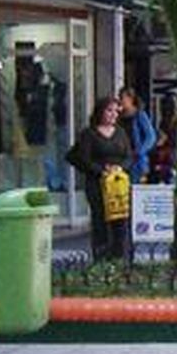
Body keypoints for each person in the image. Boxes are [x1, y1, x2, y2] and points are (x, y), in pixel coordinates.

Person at [66, 96, 133, 260]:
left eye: (116, 111)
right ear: (100, 112)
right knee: (101, 221)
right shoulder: (89, 134)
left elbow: (129, 156)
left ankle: (121, 258)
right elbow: (81, 158)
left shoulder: (121, 132)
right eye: (109, 111)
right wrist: (100, 170)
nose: (113, 115)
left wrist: (121, 167)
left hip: (118, 185)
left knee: (121, 221)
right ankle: (102, 259)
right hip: (98, 184)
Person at [117, 87, 156, 184]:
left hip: (136, 160)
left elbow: (150, 136)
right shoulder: (118, 116)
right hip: (121, 157)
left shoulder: (139, 115)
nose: (120, 101)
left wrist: (140, 151)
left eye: (122, 98)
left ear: (130, 99)